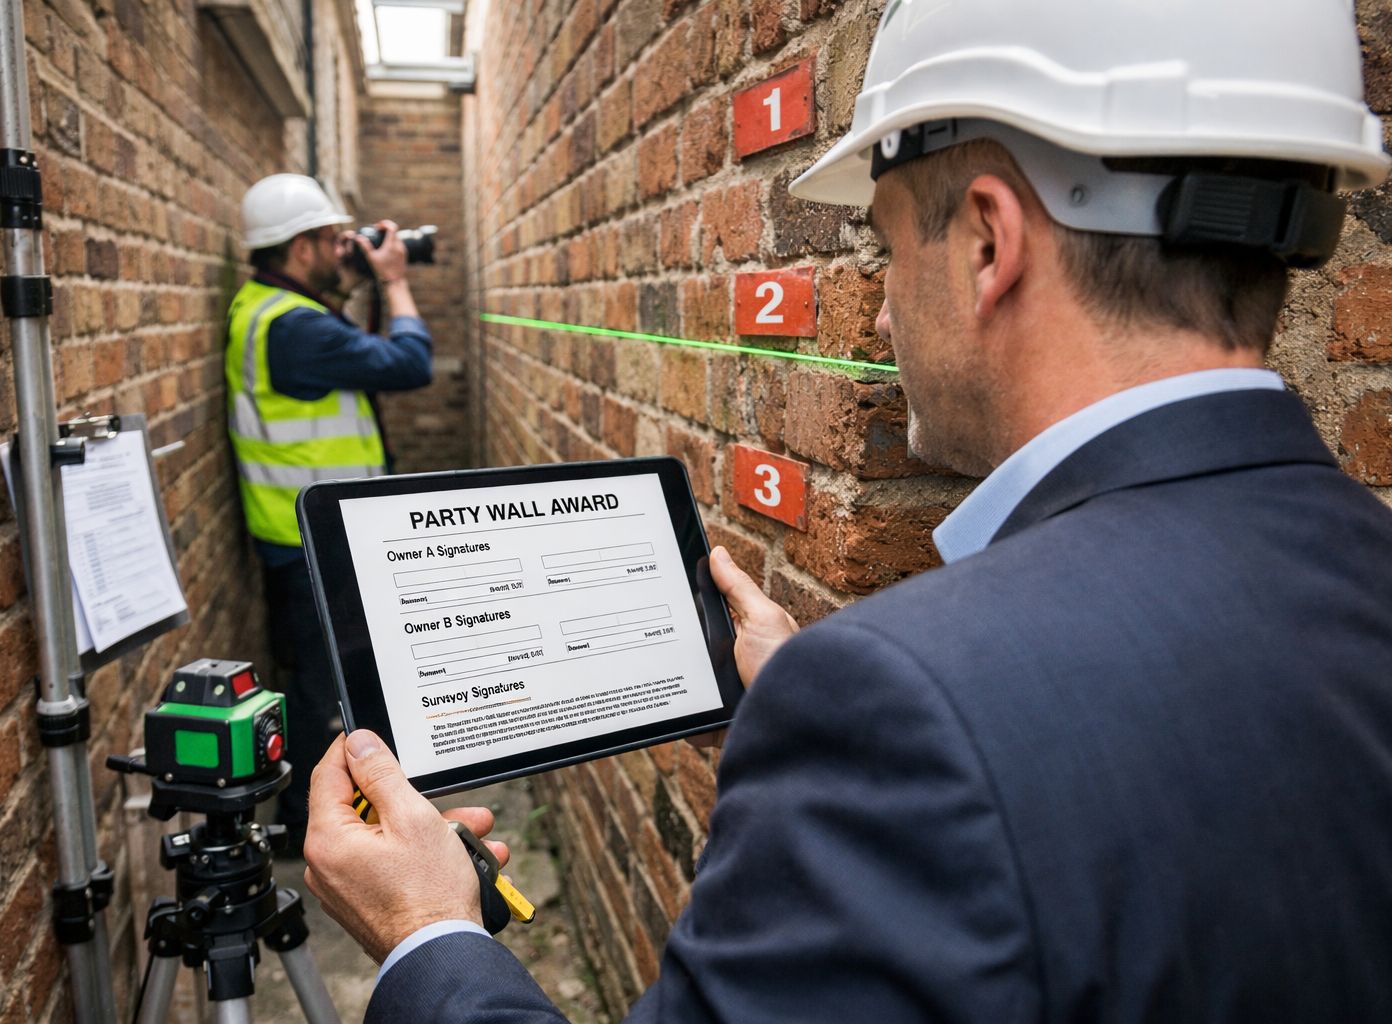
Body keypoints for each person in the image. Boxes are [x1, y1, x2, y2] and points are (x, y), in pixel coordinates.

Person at [302, 0, 1392, 1018]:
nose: (876, 308)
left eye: (881, 241)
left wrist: (426, 928)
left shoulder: (906, 705)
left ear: (986, 243)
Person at [226, 173, 433, 852]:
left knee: (327, 680)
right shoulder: (293, 328)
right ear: (302, 246)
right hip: (308, 541)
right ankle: (315, 831)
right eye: (333, 240)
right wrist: (395, 282)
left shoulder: (272, 308)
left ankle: (320, 819)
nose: (346, 250)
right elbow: (409, 363)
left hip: (302, 532)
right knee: (325, 689)